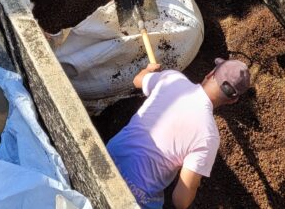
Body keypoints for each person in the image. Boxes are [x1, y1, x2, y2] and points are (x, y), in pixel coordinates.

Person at [107, 58, 252, 209]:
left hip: (108, 159)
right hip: (136, 197)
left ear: (210, 74)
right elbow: (180, 201)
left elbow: (137, 80)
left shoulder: (172, 78)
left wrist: (149, 70)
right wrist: (195, 182)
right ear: (232, 101)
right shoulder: (209, 137)